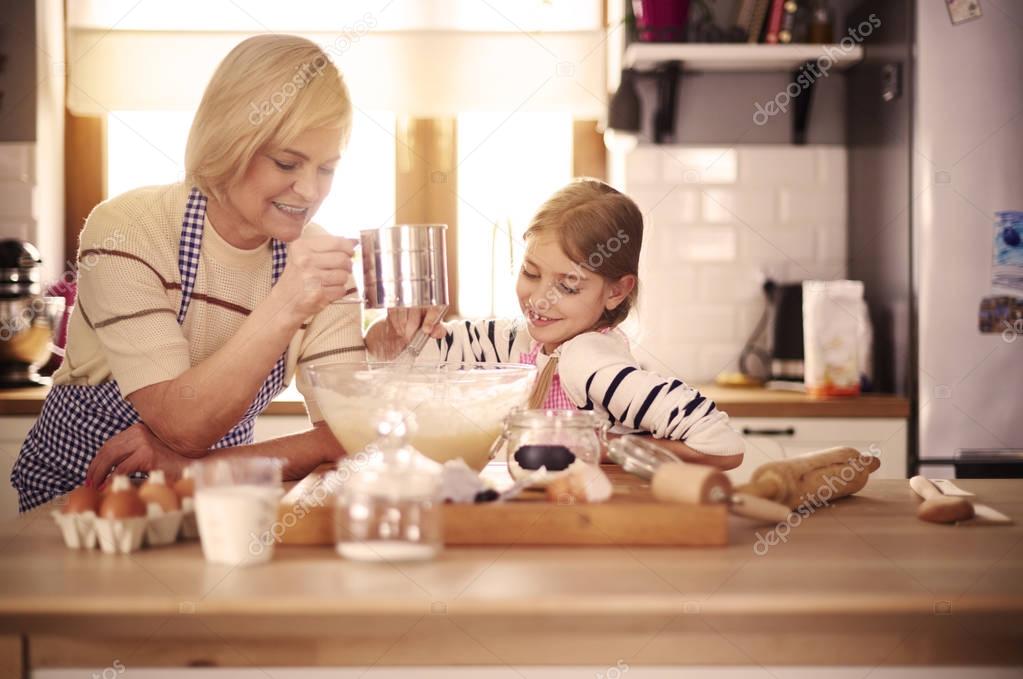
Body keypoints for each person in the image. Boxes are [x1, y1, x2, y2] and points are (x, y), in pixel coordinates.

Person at [11, 35, 364, 512]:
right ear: (229, 141)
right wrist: (287, 303)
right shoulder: (128, 230)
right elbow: (183, 424)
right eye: (286, 162)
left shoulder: (318, 263)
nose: (308, 190)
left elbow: (349, 436)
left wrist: (195, 471)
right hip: (77, 510)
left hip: (216, 505)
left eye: (327, 168)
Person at [366, 179, 745, 469]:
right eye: (531, 273)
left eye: (567, 285)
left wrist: (602, 446)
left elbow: (721, 444)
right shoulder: (517, 340)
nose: (539, 299)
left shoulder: (589, 361)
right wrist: (397, 324)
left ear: (616, 291)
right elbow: (406, 357)